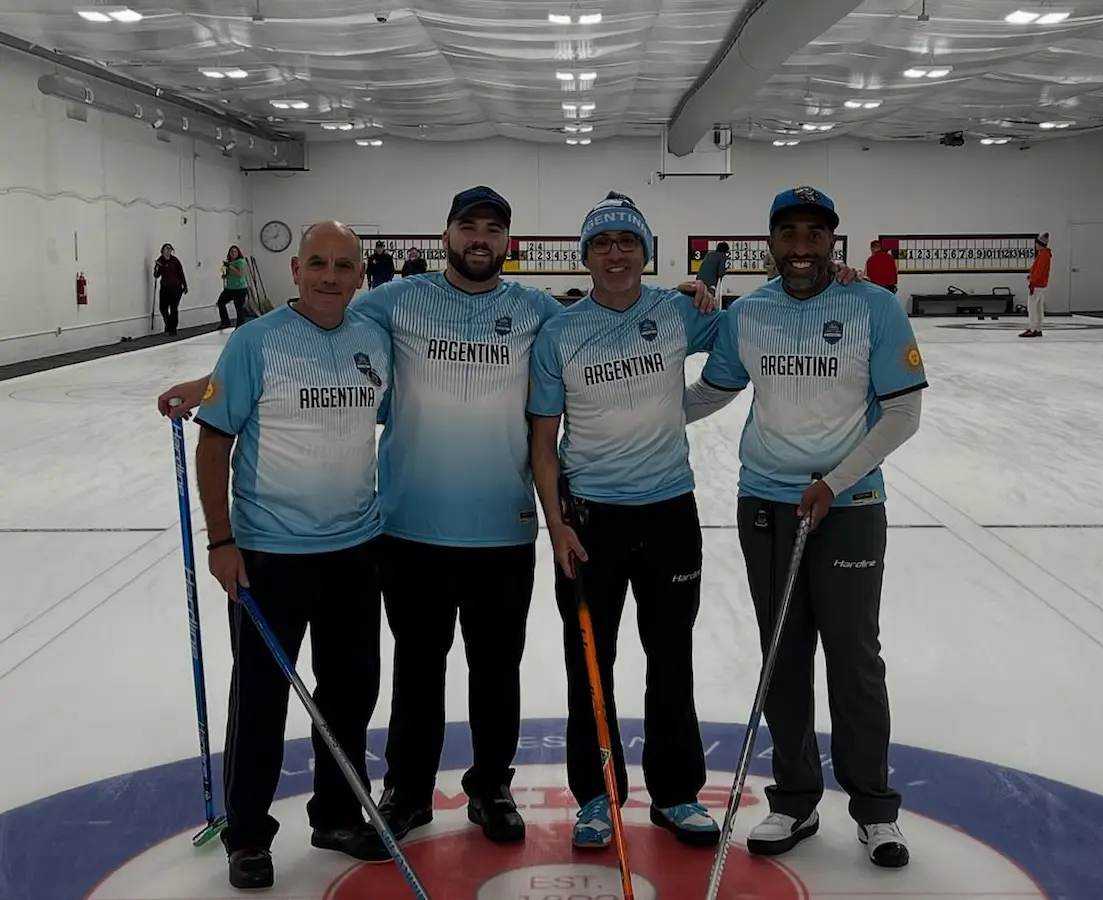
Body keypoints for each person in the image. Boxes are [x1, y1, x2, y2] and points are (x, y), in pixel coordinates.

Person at [157, 185, 717, 848]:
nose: (480, 239)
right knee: (417, 667)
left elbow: (603, 314)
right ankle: (408, 789)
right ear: (446, 235)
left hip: (502, 527)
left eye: (493, 229)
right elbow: (313, 324)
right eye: (467, 227)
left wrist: (693, 295)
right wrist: (210, 385)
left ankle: (491, 786)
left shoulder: (540, 312)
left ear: (510, 242)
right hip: (408, 528)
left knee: (496, 669)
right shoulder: (392, 302)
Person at [685, 186, 926, 870]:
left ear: (832, 243)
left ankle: (875, 811)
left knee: (853, 660)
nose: (800, 248)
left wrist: (834, 481)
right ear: (770, 243)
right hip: (765, 507)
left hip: (847, 510)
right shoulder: (749, 312)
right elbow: (714, 391)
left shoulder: (872, 307)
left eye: (814, 235)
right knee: (783, 658)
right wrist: (633, 418)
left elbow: (902, 415)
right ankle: (794, 797)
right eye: (787, 234)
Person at [191, 221, 393, 889]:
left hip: (355, 553)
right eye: (317, 264)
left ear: (360, 276)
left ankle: (337, 813)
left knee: (350, 693)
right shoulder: (256, 342)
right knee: (261, 701)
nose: (330, 276)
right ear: (295, 272)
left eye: (343, 265)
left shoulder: (374, 339)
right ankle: (247, 834)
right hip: (269, 556)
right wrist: (221, 541)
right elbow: (216, 442)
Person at [526, 192, 724, 850]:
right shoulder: (559, 332)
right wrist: (555, 526)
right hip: (590, 521)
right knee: (590, 664)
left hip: (670, 513)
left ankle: (676, 794)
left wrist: (712, 295)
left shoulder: (675, 312)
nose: (616, 253)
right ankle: (594, 795)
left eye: (627, 241)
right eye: (603, 243)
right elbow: (543, 440)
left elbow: (748, 335)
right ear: (586, 257)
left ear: (646, 253)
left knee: (672, 659)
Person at [1020, 232, 1051, 338]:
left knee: (1032, 307)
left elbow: (1039, 271)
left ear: (1039, 244)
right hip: (1041, 284)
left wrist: (1032, 279)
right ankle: (1038, 328)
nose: (1035, 245)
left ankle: (1032, 329)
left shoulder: (1043, 255)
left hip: (1037, 284)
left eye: (1036, 243)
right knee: (1038, 307)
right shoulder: (1044, 254)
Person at [153, 242, 187, 335]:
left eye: (169, 249)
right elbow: (156, 275)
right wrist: (157, 268)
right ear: (162, 251)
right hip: (165, 287)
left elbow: (181, 273)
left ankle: (172, 328)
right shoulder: (160, 261)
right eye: (166, 249)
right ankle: (169, 325)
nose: (168, 251)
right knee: (163, 308)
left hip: (176, 287)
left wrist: (184, 285)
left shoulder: (175, 261)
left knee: (173, 308)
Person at [218, 245, 250, 329]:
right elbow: (226, 273)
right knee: (220, 303)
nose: (233, 253)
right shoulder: (229, 262)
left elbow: (240, 274)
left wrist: (229, 266)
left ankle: (240, 326)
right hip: (229, 288)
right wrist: (225, 275)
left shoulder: (240, 261)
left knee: (239, 308)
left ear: (238, 253)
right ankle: (225, 322)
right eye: (231, 252)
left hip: (240, 289)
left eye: (235, 252)